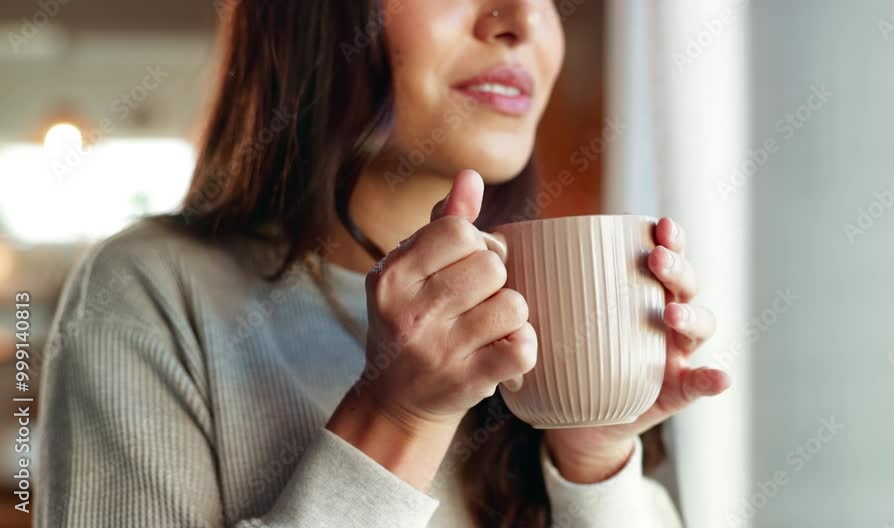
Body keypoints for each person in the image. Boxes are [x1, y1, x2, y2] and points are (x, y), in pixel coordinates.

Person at [36, 1, 729, 527]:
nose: (519, 20)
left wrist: (594, 459)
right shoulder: (146, 295)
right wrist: (397, 420)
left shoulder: (535, 312)